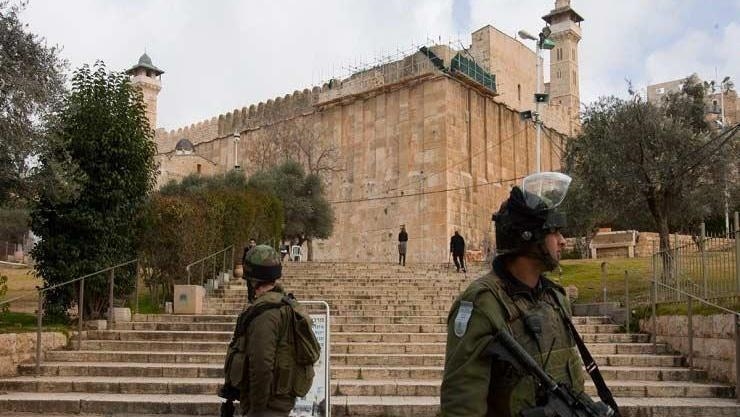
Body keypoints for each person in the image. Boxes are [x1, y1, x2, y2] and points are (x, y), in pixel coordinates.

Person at [440, 172, 619, 417]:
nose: (563, 241)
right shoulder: (483, 304)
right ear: (529, 237)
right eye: (554, 232)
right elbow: (461, 406)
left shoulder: (555, 298)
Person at [228, 245, 304, 417]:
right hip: (277, 402)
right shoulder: (283, 305)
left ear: (253, 281)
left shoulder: (265, 315)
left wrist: (256, 411)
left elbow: (262, 367)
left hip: (267, 407)